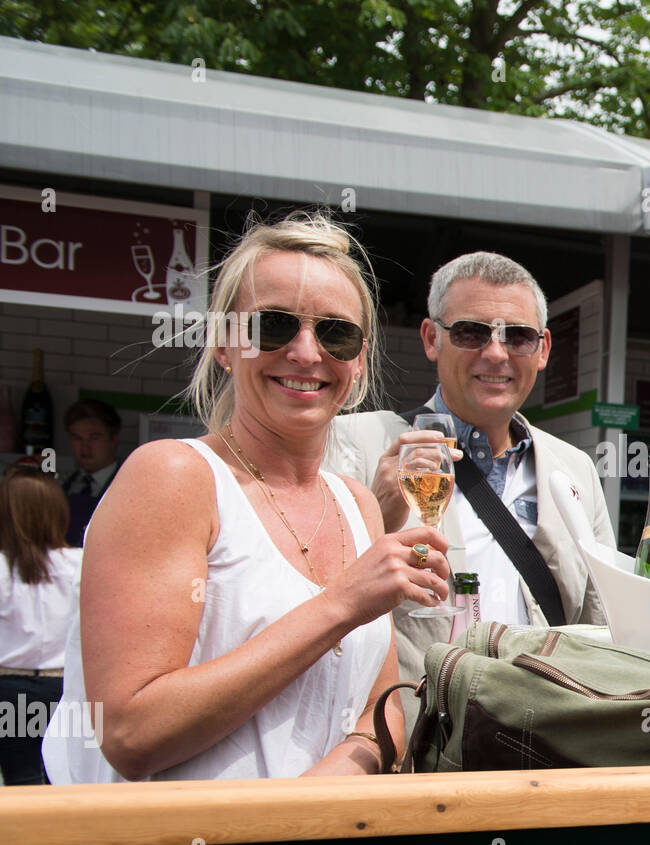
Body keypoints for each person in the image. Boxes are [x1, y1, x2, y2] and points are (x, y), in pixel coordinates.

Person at [42, 211, 447, 783]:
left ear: (357, 362)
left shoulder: (356, 504)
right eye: (273, 327)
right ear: (225, 346)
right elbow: (131, 732)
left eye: (336, 333)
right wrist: (339, 606)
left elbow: (379, 723)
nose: (307, 353)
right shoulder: (175, 476)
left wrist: (294, 829)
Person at [327, 251, 615, 685]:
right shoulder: (356, 445)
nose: (496, 353)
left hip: (544, 738)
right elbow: (313, 609)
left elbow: (605, 623)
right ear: (431, 339)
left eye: (517, 336)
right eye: (470, 332)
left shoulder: (574, 469)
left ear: (542, 349)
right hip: (415, 742)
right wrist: (375, 515)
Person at [0, 470, 82, 785]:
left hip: (9, 689)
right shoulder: (80, 563)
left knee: (21, 780)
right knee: (65, 778)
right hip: (66, 688)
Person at [61, 399, 123, 547]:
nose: (85, 447)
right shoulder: (63, 486)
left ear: (113, 439)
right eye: (77, 438)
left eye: (94, 438)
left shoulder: (127, 486)